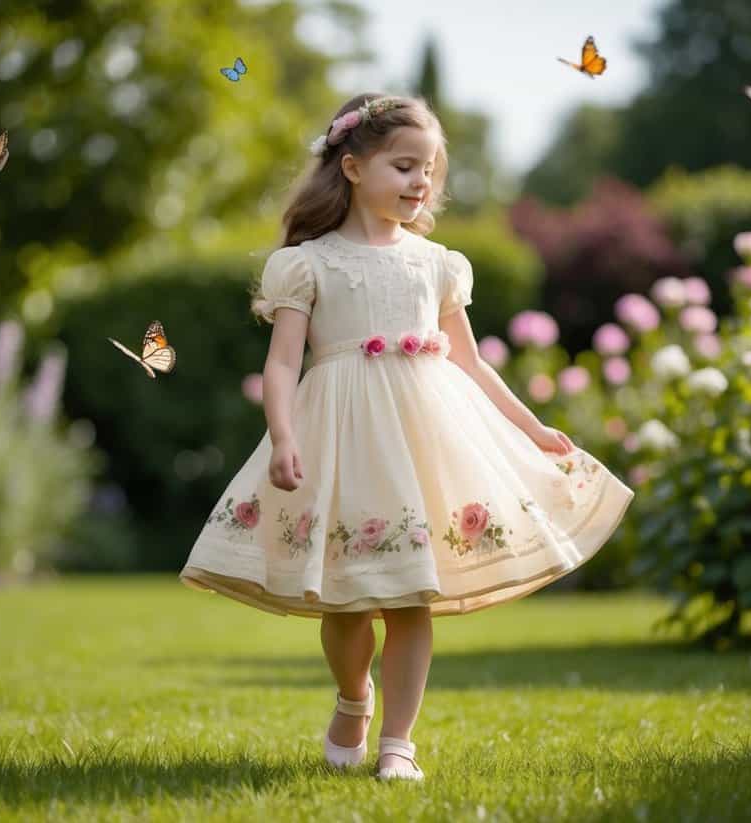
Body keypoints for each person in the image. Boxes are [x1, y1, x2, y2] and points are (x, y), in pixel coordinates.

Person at [180, 93, 634, 781]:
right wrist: (281, 436)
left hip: (424, 438)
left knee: (410, 595)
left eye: (430, 168)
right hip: (342, 436)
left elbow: (472, 363)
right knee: (347, 600)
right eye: (404, 165)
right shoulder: (309, 264)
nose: (421, 180)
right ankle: (353, 695)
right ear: (354, 166)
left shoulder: (438, 264)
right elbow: (280, 362)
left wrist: (534, 428)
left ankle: (399, 743)